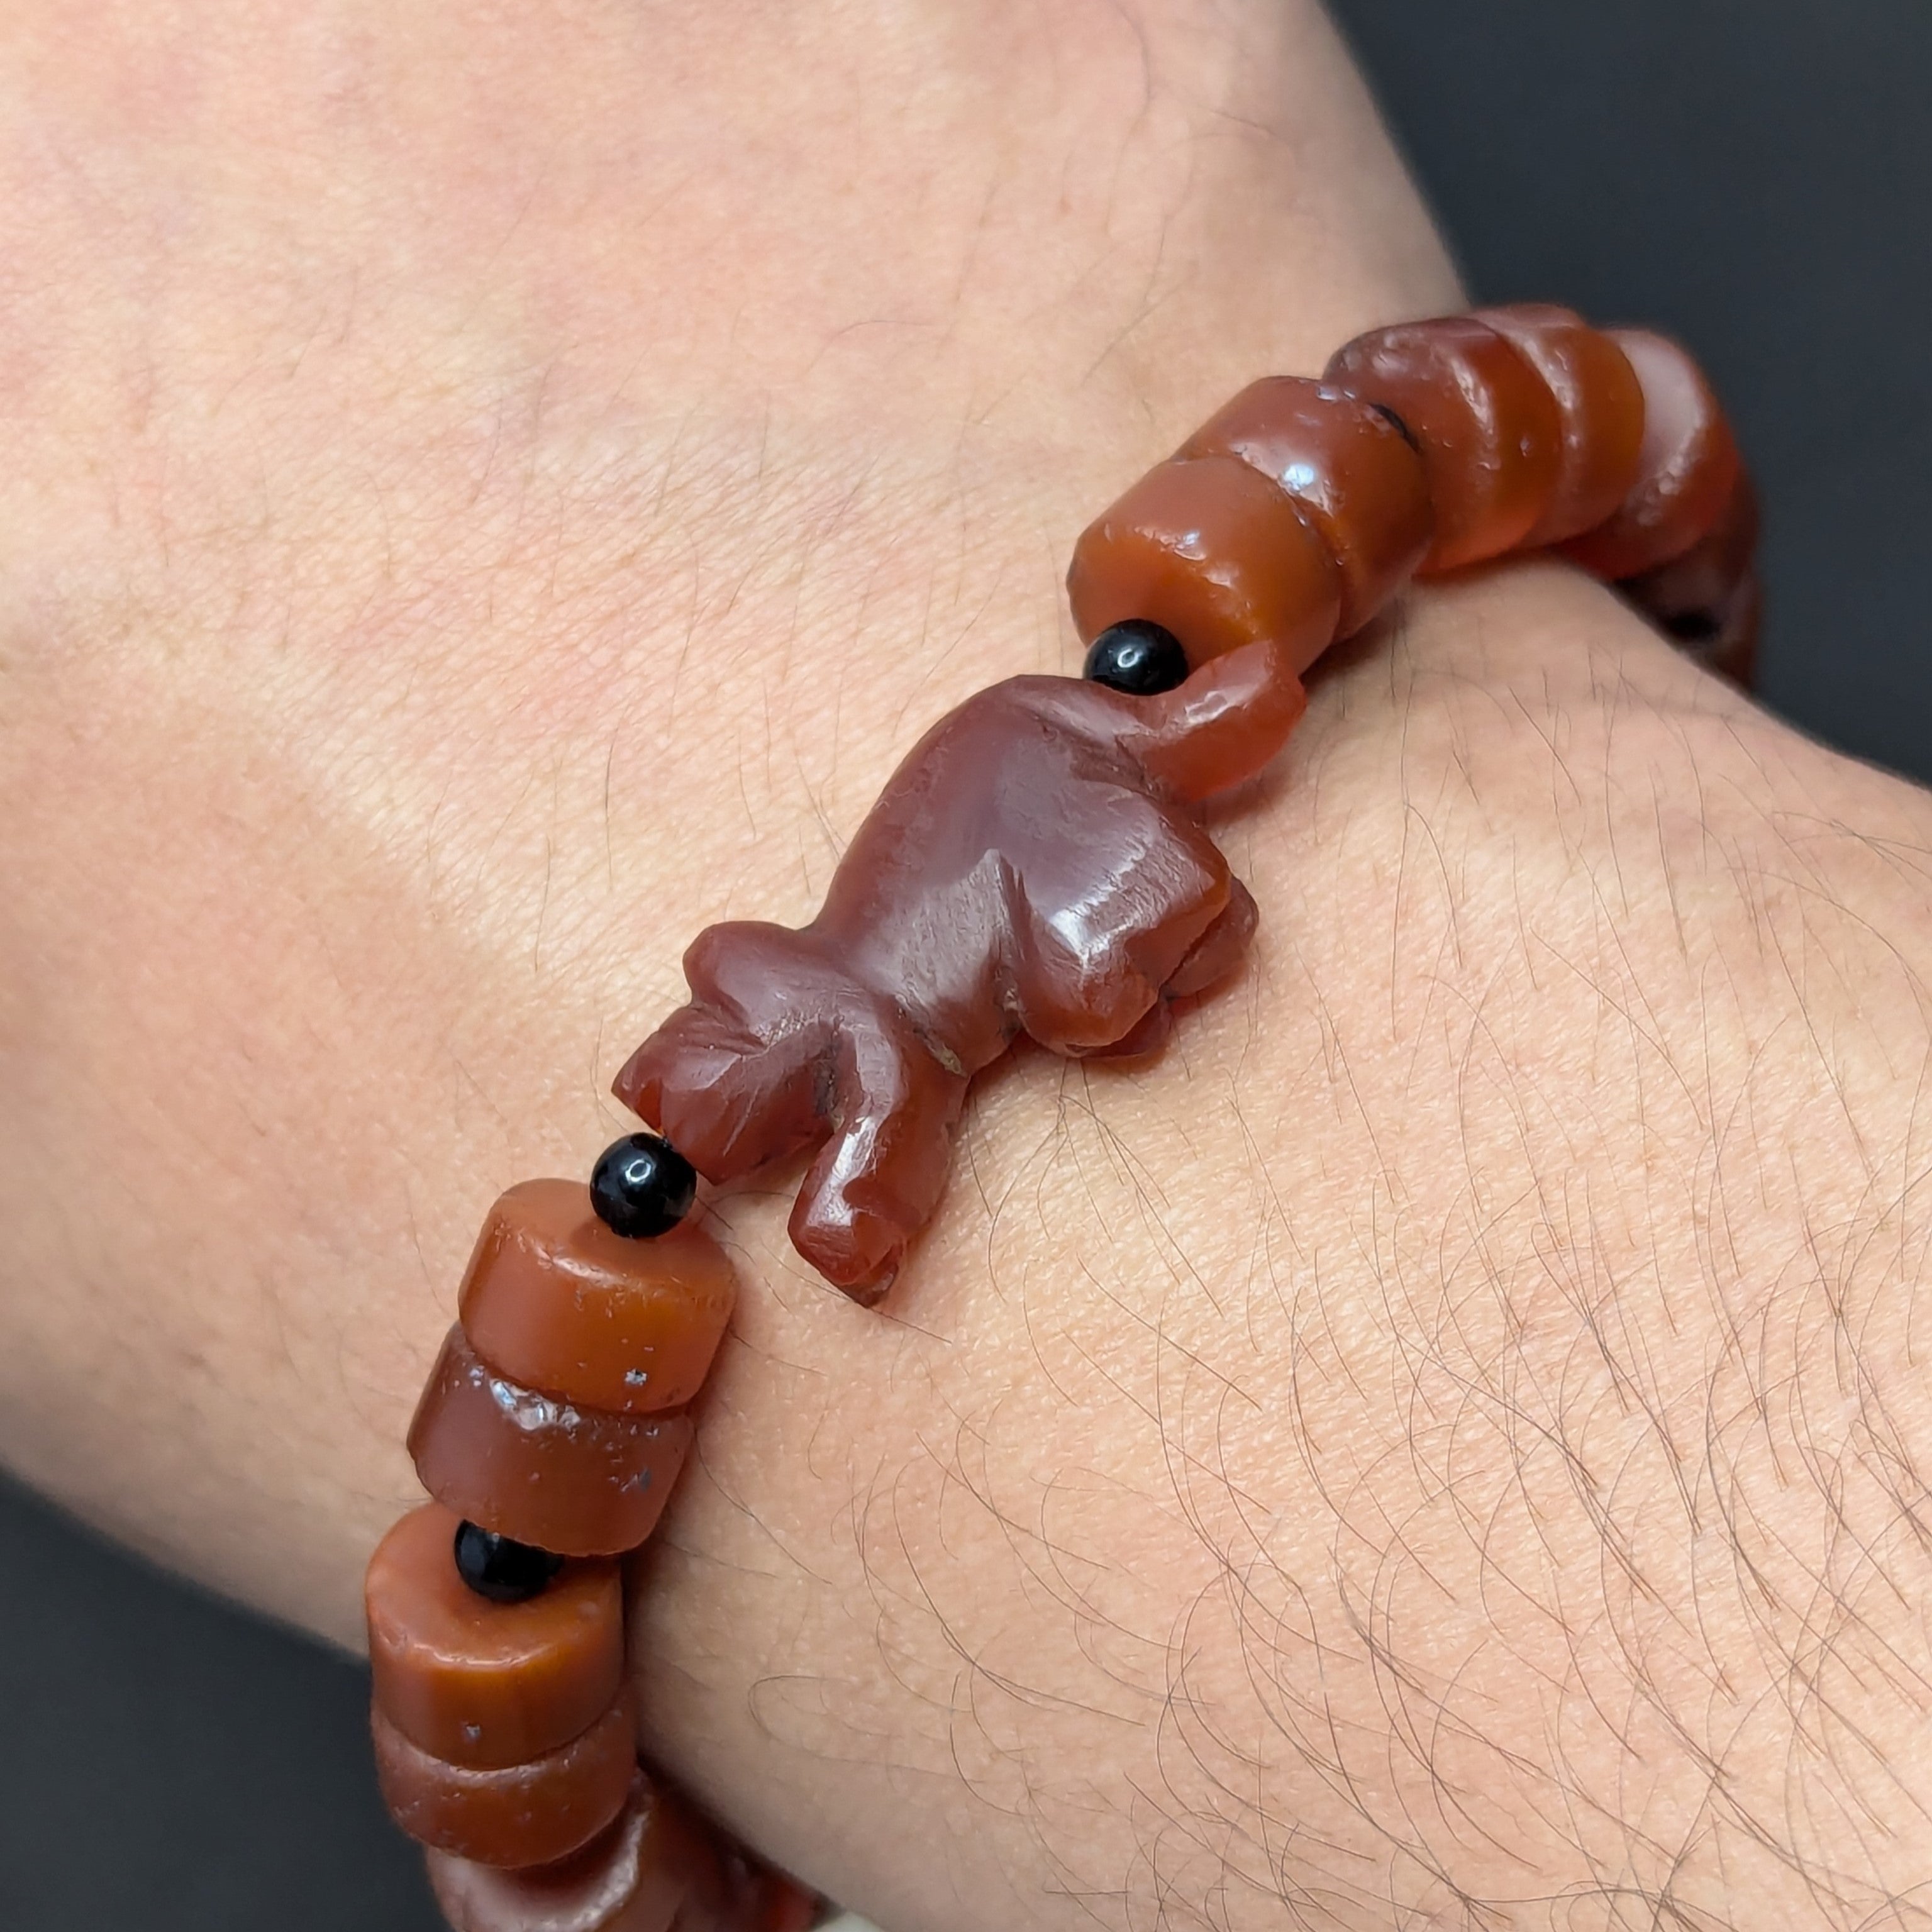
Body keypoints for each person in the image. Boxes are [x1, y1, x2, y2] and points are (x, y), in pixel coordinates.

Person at [1, 3, 1926, 1926]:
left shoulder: (825, 1025)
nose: (685, 1105)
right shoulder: (810, 1018)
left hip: (1046, 813)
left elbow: (884, 1121)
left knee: (1129, 953)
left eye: (699, 1077)